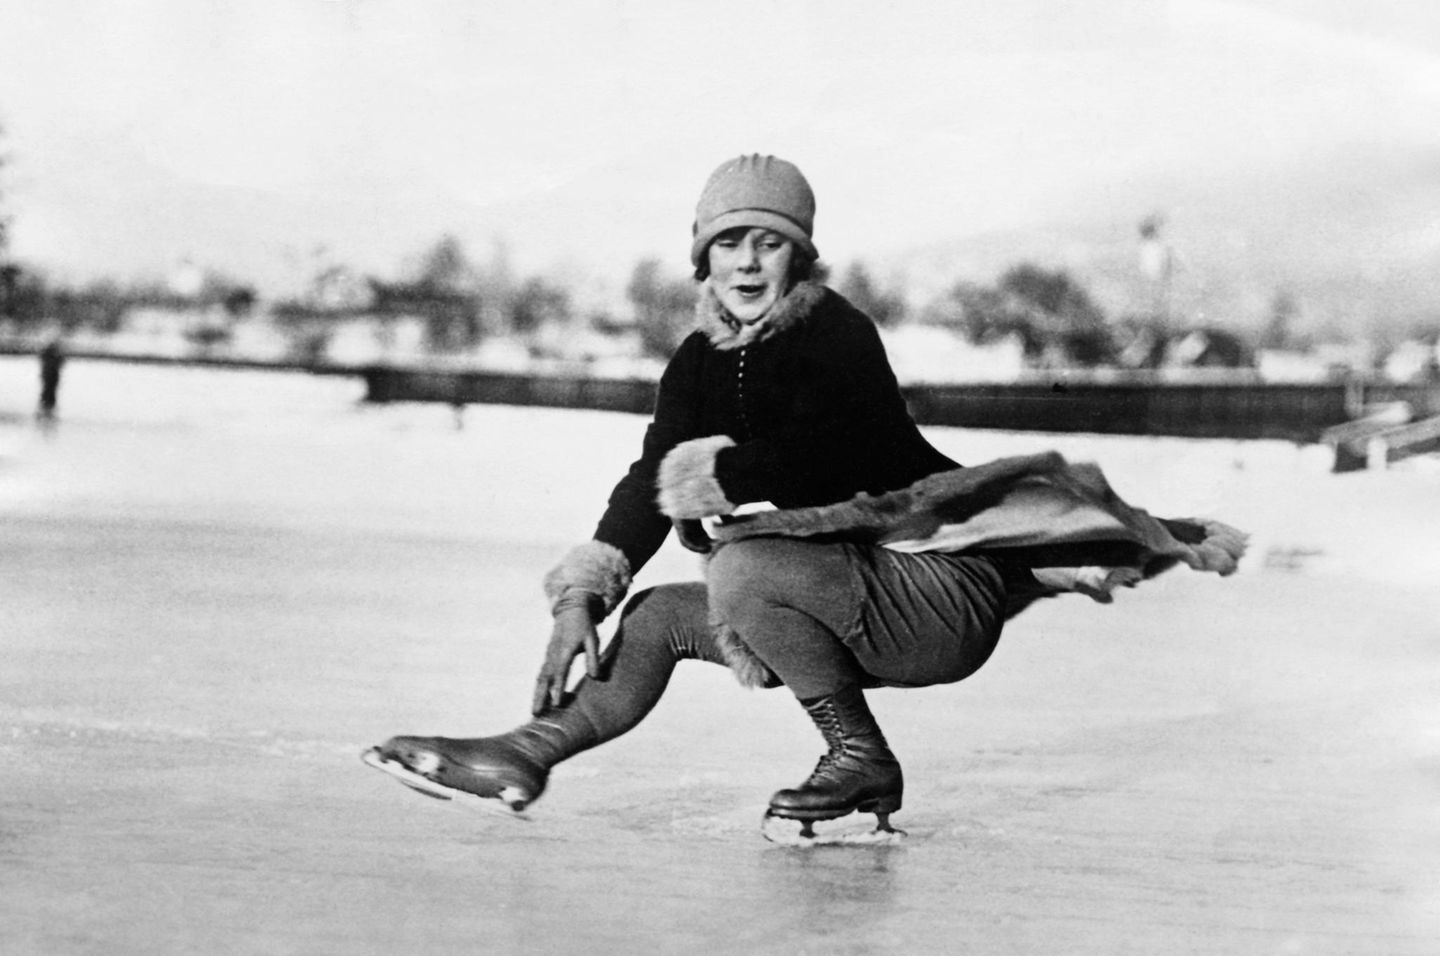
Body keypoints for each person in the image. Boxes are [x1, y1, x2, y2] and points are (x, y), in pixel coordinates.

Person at [362, 154, 1245, 840]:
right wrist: (582, 594)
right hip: (833, 597)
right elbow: (648, 481)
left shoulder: (836, 334)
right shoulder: (696, 361)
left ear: (799, 253)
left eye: (770, 241)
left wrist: (711, 478)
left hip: (931, 593)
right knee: (658, 616)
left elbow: (831, 457)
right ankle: (526, 754)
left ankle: (858, 757)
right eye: (730, 242)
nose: (748, 261)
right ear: (702, 254)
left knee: (742, 564)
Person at [38, 339, 65, 418]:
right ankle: (47, 406)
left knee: (49, 391)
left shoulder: (49, 355)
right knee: (48, 391)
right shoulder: (51, 355)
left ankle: (48, 405)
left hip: (51, 376)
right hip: (50, 376)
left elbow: (61, 362)